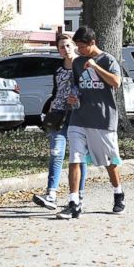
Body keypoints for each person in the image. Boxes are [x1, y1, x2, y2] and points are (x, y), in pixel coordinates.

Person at [57, 26, 126, 219]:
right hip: (79, 117)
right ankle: (73, 202)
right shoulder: (78, 62)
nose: (79, 50)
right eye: (77, 46)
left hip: (102, 119)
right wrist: (73, 96)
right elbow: (76, 86)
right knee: (75, 159)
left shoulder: (108, 60)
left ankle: (118, 193)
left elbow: (116, 82)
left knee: (110, 161)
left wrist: (95, 66)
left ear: (92, 43)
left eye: (82, 46)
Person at [32, 34, 87, 210]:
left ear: (74, 46)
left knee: (78, 155)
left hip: (78, 114)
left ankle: (79, 194)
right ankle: (51, 194)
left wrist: (80, 102)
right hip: (58, 113)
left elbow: (89, 89)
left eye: (68, 45)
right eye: (62, 47)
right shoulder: (58, 68)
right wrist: (50, 109)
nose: (66, 49)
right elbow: (56, 91)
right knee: (56, 152)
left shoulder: (84, 65)